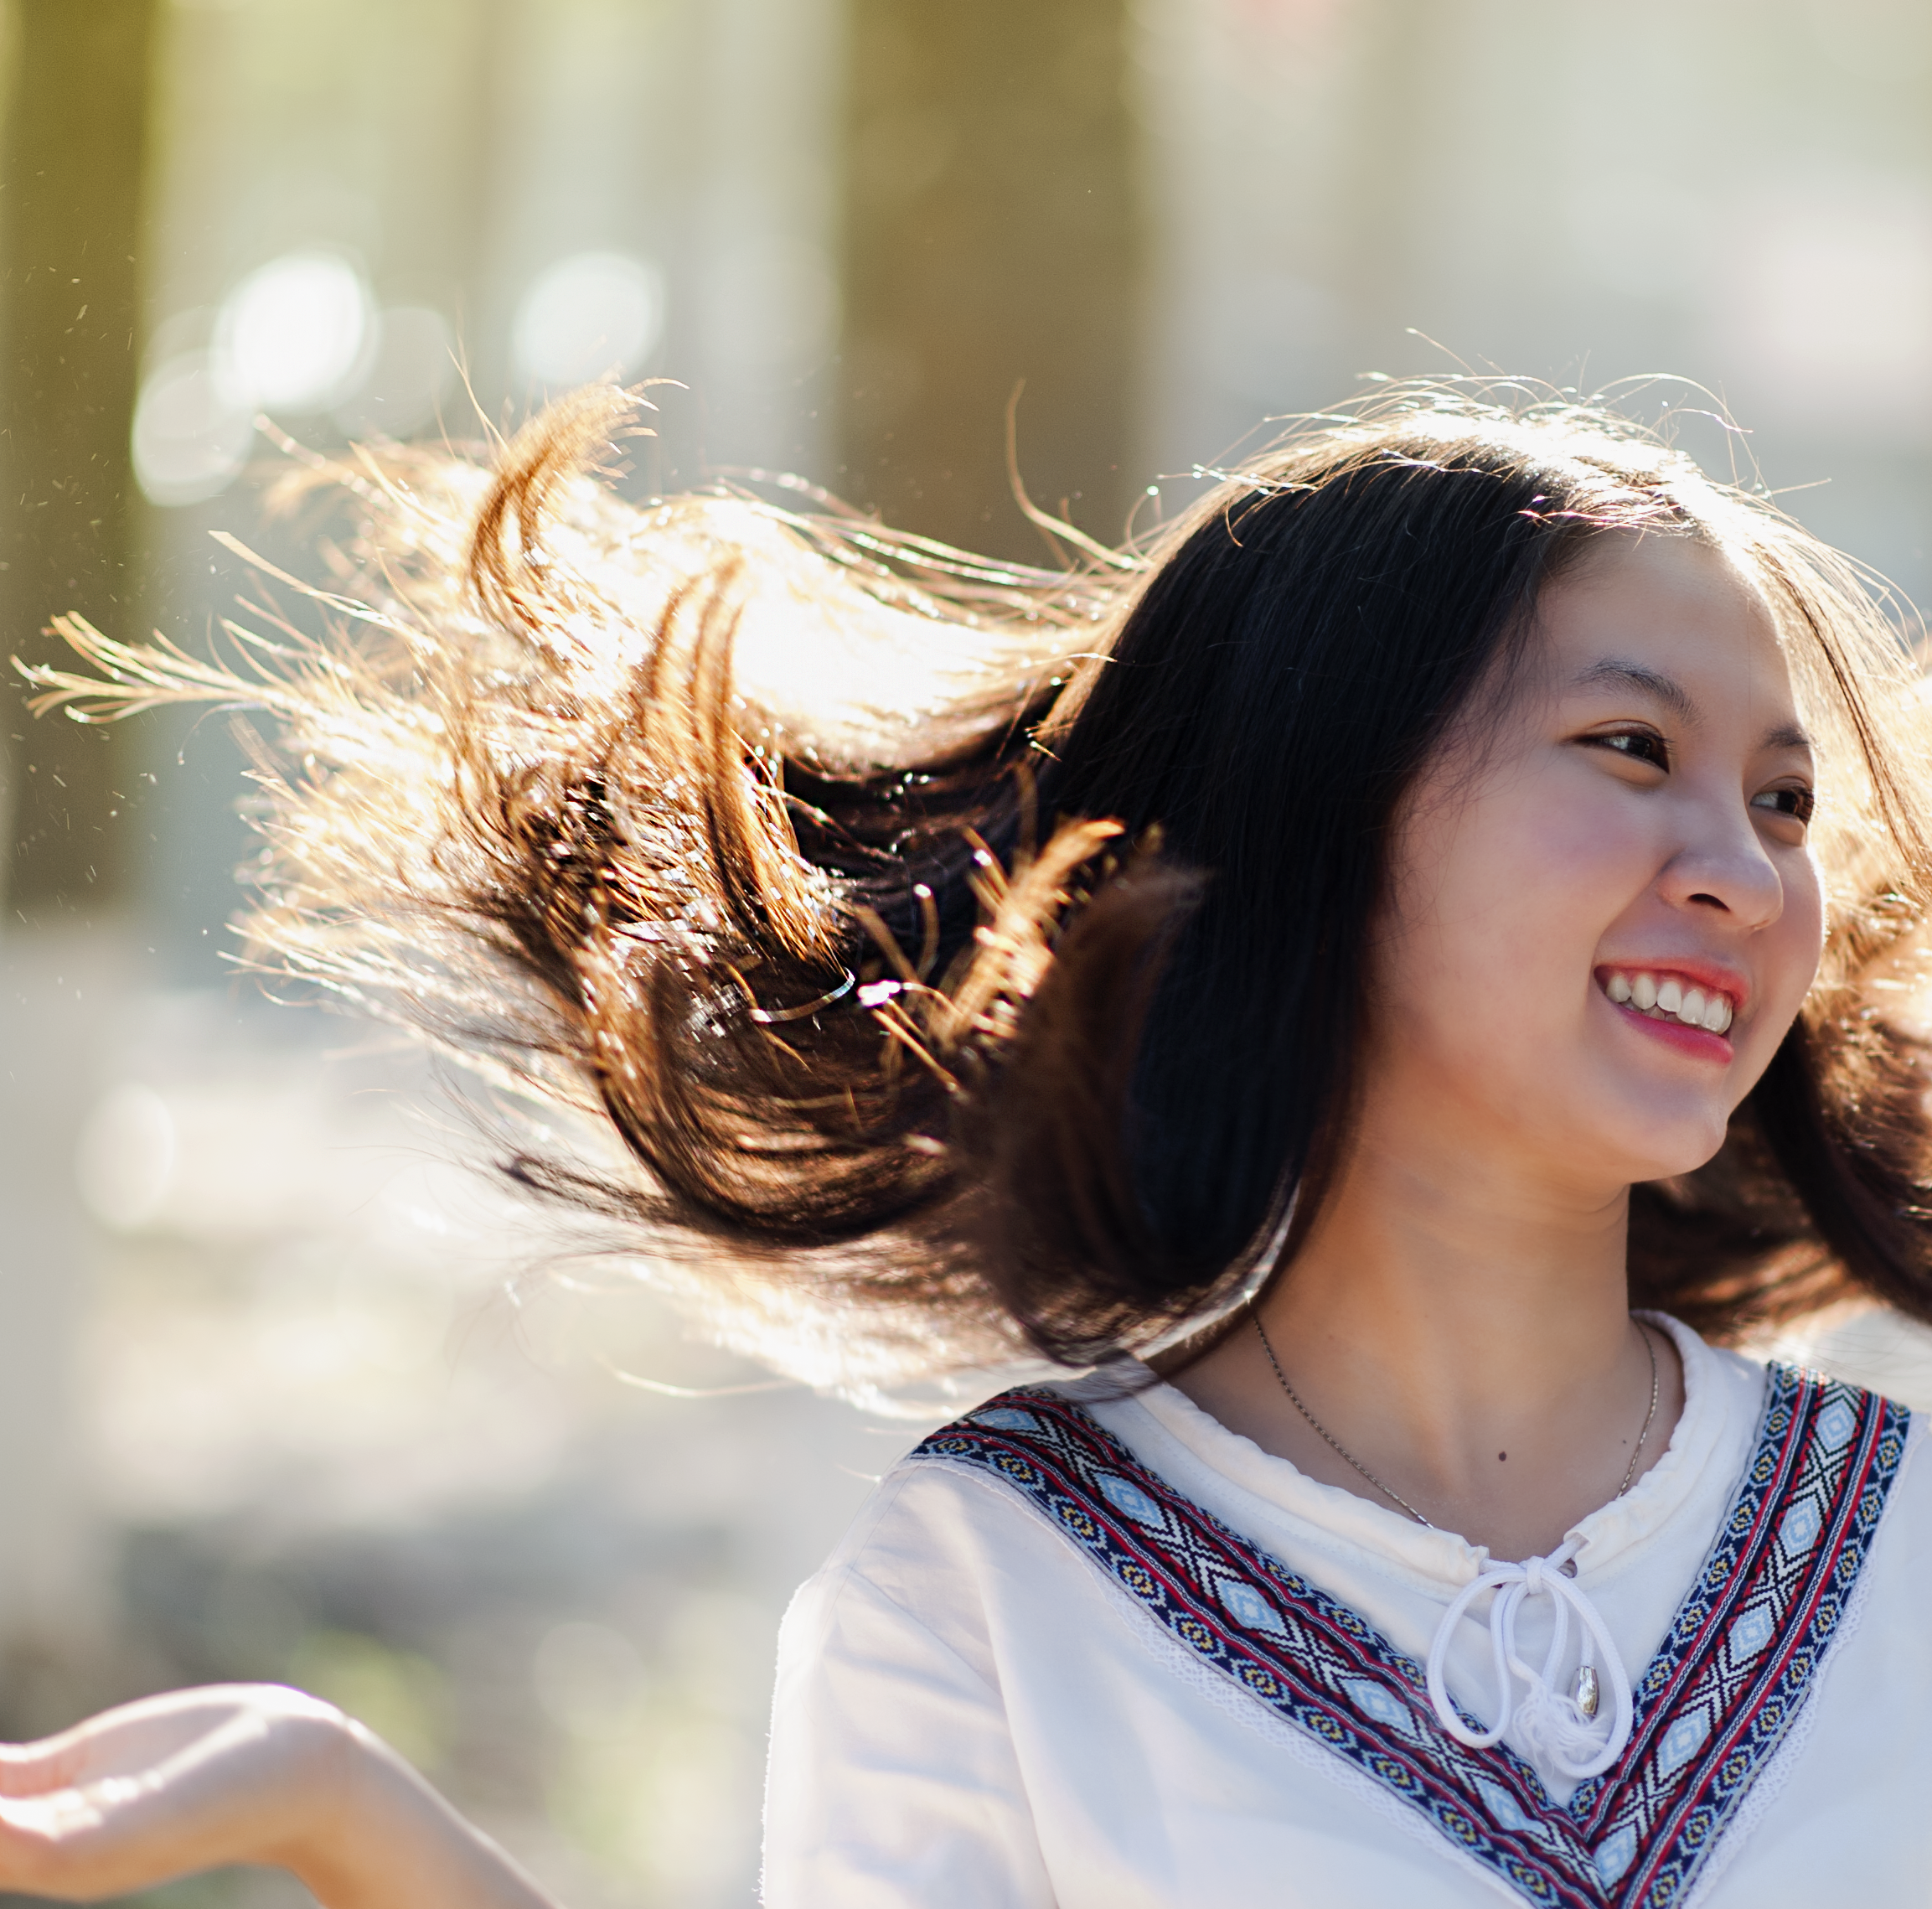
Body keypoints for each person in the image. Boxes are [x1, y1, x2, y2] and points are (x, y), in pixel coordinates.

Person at [11, 380, 1932, 1906]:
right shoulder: (1006, 1586)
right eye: (1628, 748)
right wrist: (351, 1809)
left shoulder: (1904, 1536)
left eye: (1780, 801)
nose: (1744, 874)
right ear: (1315, 820)